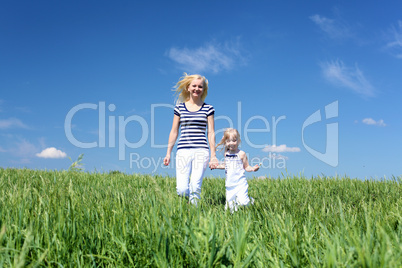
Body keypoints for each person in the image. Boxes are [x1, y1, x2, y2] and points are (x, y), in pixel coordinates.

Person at [164, 73, 218, 205]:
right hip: (183, 151)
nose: (197, 89)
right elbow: (174, 131)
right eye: (194, 86)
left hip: (201, 150)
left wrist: (213, 155)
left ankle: (195, 216)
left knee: (195, 187)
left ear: (203, 90)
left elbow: (211, 132)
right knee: (182, 190)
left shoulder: (208, 108)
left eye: (200, 87)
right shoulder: (180, 108)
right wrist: (168, 153)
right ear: (188, 87)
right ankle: (189, 206)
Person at [212, 128, 259, 212]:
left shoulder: (241, 154)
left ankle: (250, 201)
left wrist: (253, 168)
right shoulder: (226, 154)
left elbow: (246, 167)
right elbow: (225, 166)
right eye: (228, 141)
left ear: (238, 141)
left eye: (234, 140)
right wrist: (216, 166)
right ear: (225, 142)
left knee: (243, 203)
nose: (231, 143)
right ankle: (235, 218)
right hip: (229, 184)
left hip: (240, 183)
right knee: (230, 209)